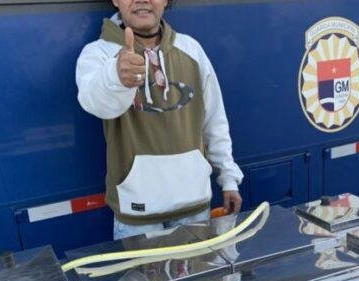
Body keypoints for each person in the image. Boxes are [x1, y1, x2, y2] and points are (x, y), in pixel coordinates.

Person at [76, 0, 243, 240]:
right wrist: (116, 76)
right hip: (137, 220)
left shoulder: (192, 49)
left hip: (195, 210)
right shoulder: (98, 54)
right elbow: (95, 103)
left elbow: (214, 121)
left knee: (202, 279)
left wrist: (229, 179)